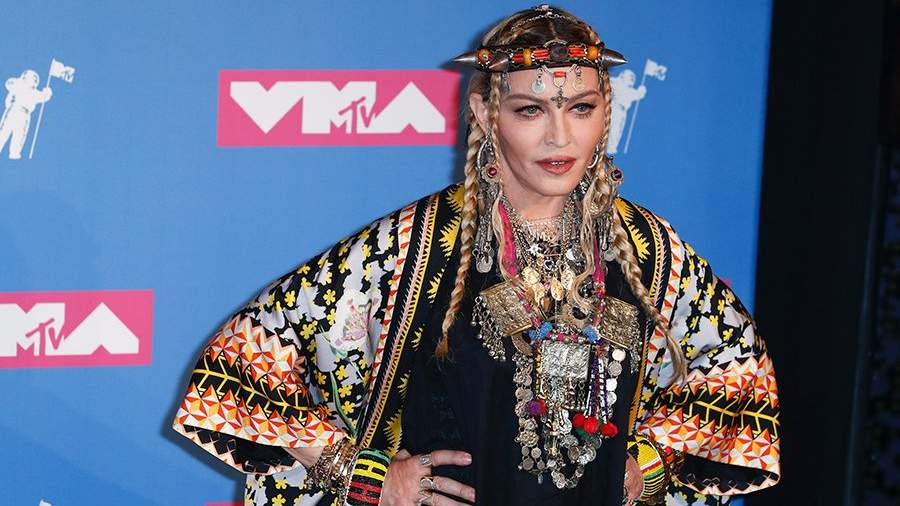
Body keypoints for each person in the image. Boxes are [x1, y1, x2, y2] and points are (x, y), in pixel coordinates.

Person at [172, 5, 781, 505]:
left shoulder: (643, 247)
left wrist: (650, 461)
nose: (560, 136)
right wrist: (360, 473)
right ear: (485, 114)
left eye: (581, 108)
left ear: (605, 113)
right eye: (530, 110)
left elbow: (737, 372)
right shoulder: (415, 244)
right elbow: (242, 364)